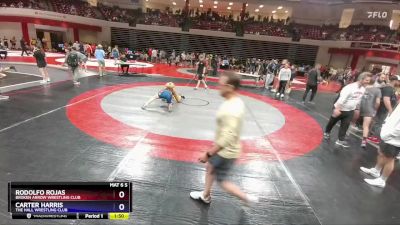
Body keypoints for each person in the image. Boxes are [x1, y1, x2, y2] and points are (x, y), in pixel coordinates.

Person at [189, 73, 257, 205]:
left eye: (221, 84)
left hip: (225, 152)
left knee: (222, 181)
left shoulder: (231, 109)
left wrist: (208, 153)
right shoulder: (236, 101)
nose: (218, 86)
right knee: (210, 168)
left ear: (230, 87)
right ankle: (205, 195)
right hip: (227, 149)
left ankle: (246, 198)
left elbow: (228, 137)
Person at [324, 72, 372, 148]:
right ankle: (327, 132)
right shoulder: (349, 87)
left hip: (350, 110)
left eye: (369, 80)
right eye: (367, 80)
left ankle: (340, 140)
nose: (368, 82)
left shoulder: (363, 89)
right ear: (361, 79)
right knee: (332, 122)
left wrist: (356, 108)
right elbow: (342, 99)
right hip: (340, 109)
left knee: (345, 125)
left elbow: (358, 100)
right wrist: (337, 109)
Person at [360, 103, 400, 188]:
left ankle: (382, 180)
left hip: (394, 138)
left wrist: (390, 134)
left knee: (389, 159)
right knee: (381, 152)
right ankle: (376, 171)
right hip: (387, 133)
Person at [369, 76, 399, 144]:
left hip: (384, 109)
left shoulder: (391, 88)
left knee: (378, 122)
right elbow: (386, 99)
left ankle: (372, 136)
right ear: (395, 80)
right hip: (383, 109)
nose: (399, 83)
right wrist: (390, 110)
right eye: (398, 81)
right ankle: (374, 137)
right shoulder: (388, 88)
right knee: (379, 123)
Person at [359, 78, 382, 147]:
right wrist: (375, 109)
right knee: (366, 126)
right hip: (369, 109)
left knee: (350, 121)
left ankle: (343, 136)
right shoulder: (377, 90)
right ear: (374, 82)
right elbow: (378, 102)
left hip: (358, 107)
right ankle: (363, 142)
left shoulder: (362, 87)